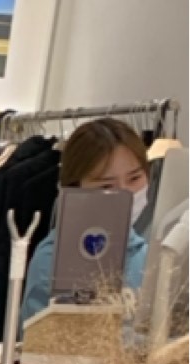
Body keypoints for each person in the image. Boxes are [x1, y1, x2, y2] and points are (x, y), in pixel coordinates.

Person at [21, 115, 153, 325]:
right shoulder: (51, 259)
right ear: (75, 189)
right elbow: (39, 339)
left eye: (135, 178)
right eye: (106, 186)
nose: (125, 193)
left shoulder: (147, 254)